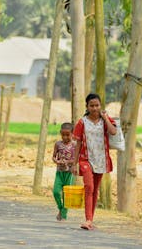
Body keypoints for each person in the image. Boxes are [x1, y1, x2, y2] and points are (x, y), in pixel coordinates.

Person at [72, 93, 117, 230]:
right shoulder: (82, 122)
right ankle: (87, 219)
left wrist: (105, 118)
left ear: (100, 106)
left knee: (95, 189)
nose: (94, 108)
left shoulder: (105, 120)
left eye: (97, 105)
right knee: (89, 187)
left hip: (101, 159)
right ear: (87, 107)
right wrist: (74, 163)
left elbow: (113, 131)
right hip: (85, 159)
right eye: (91, 105)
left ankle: (90, 220)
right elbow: (78, 143)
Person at [52, 122, 76, 221]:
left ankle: (63, 215)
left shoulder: (75, 145)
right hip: (59, 172)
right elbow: (53, 157)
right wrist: (57, 161)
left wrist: (67, 162)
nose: (65, 137)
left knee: (67, 195)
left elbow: (76, 159)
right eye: (63, 135)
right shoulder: (58, 144)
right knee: (56, 192)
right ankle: (61, 208)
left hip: (70, 173)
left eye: (68, 135)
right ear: (60, 133)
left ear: (72, 134)